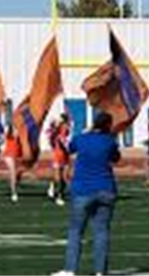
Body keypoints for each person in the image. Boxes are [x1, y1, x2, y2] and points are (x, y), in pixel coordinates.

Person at [51, 111, 120, 276]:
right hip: (106, 188)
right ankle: (100, 271)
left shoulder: (82, 138)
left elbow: (68, 148)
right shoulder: (109, 141)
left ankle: (70, 270)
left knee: (76, 231)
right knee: (102, 231)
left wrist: (84, 132)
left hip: (83, 190)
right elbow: (116, 158)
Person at [2, 126, 23, 203]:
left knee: (18, 172)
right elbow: (6, 134)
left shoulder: (20, 134)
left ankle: (13, 185)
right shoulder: (9, 133)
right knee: (13, 172)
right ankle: (14, 193)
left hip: (17, 155)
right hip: (9, 155)